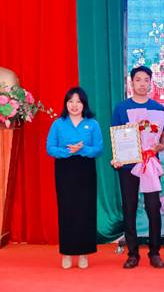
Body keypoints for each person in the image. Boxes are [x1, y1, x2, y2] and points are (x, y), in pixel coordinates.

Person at [111, 65, 164, 269]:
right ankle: (132, 254)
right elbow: (117, 136)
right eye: (138, 80)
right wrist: (118, 157)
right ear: (131, 82)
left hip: (150, 163)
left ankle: (155, 252)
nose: (142, 84)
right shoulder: (121, 108)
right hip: (129, 166)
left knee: (153, 207)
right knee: (129, 208)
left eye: (146, 80)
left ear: (151, 83)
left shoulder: (158, 108)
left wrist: (161, 145)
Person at [46, 87, 103, 269]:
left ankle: (84, 253)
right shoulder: (58, 124)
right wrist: (67, 151)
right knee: (67, 210)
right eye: (70, 101)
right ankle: (67, 253)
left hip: (86, 169)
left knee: (86, 210)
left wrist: (83, 149)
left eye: (78, 102)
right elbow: (50, 148)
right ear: (66, 104)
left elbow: (98, 148)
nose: (74, 105)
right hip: (65, 169)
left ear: (84, 104)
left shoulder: (92, 124)